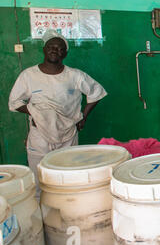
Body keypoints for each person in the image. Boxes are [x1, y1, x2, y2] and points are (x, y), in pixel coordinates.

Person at [8, 29, 107, 197]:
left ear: (65, 54)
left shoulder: (74, 75)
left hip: (67, 134)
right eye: (51, 46)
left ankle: (66, 212)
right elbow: (14, 102)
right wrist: (38, 114)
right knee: (39, 180)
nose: (55, 50)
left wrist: (83, 116)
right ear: (44, 49)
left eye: (60, 48)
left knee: (68, 176)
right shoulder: (29, 75)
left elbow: (96, 92)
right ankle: (42, 217)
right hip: (39, 136)